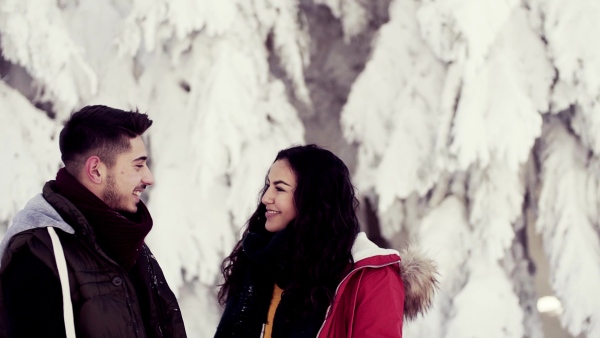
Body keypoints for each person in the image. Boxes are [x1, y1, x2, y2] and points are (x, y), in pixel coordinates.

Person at [214, 144, 439, 338]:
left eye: (279, 188)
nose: (265, 198)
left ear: (312, 197)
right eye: (268, 186)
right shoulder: (260, 261)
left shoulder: (371, 277)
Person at [0, 105, 187, 337]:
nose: (149, 178)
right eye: (138, 165)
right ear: (96, 171)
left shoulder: (125, 241)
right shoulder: (38, 254)